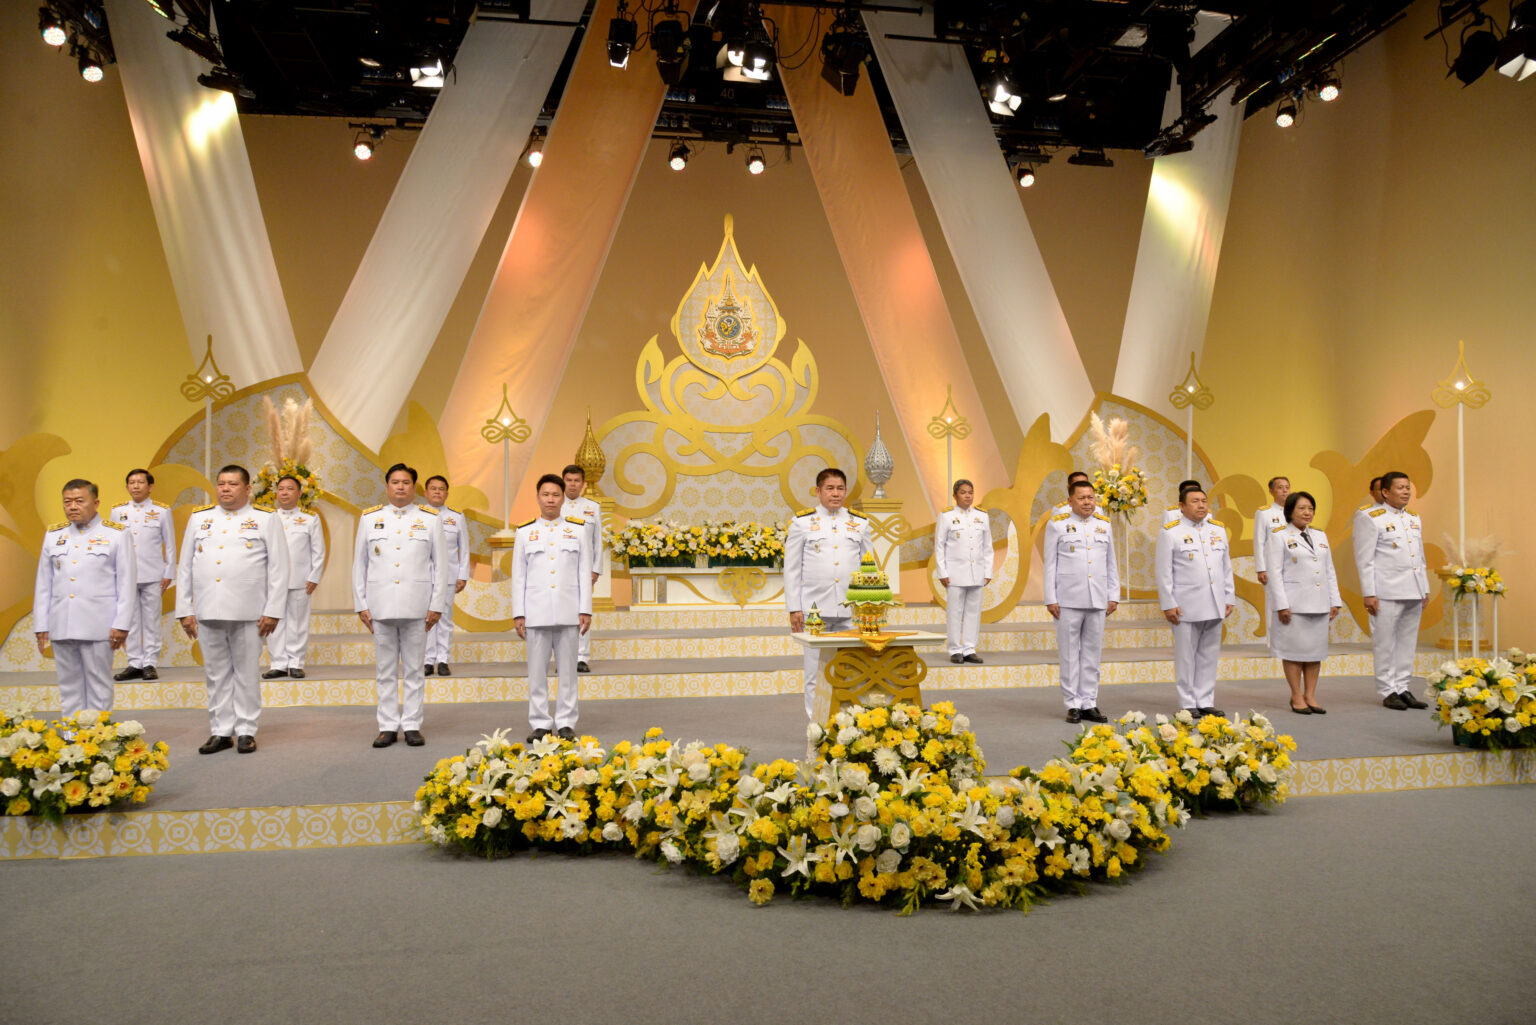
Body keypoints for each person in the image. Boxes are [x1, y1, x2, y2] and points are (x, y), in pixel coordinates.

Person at [175, 465, 287, 755]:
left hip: (249, 611)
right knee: (215, 674)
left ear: (247, 489)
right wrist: (184, 609)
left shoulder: (265, 518)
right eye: (221, 483)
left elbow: (279, 568)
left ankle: (246, 730)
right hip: (208, 609)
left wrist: (273, 610)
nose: (225, 488)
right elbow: (185, 566)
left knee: (246, 673)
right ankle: (221, 731)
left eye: (233, 484)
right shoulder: (200, 518)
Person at [353, 463, 452, 748]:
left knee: (414, 670)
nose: (400, 487)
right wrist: (361, 604)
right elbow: (359, 564)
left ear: (414, 488)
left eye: (406, 482)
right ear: (387, 487)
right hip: (380, 606)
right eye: (395, 482)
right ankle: (386, 726)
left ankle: (411, 724)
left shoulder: (430, 519)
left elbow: (441, 566)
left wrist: (437, 605)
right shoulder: (370, 518)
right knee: (385, 671)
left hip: (418, 607)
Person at [34, 479, 135, 717]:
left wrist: (122, 624)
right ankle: (72, 735)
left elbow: (126, 583)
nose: (72, 507)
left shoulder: (116, 534)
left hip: (98, 624)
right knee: (68, 686)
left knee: (99, 685)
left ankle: (99, 735)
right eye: (67, 502)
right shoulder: (54, 534)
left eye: (79, 501)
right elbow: (43, 583)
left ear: (96, 503)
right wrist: (41, 624)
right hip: (62, 622)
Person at [784, 468, 874, 720]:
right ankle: (817, 724)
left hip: (851, 608)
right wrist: (794, 607)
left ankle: (850, 722)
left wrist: (869, 606)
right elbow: (792, 569)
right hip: (814, 609)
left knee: (852, 667)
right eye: (830, 488)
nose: (836, 494)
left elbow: (870, 567)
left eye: (840, 488)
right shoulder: (802, 523)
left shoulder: (860, 523)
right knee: (815, 671)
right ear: (818, 491)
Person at [512, 473, 593, 742]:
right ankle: (540, 722)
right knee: (536, 672)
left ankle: (566, 721)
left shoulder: (578, 530)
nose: (550, 499)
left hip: (569, 610)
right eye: (545, 494)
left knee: (568, 671)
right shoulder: (525, 532)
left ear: (563, 499)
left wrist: (585, 609)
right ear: (537, 497)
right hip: (535, 612)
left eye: (556, 495)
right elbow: (519, 576)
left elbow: (584, 573)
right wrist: (519, 613)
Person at [1353, 470, 1430, 711]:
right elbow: (1365, 559)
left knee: (1407, 641)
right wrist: (1369, 592)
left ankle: (1403, 686)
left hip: (1413, 589)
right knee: (1385, 642)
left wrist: (1424, 588)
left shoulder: (1413, 518)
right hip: (1386, 591)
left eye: (1408, 487)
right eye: (1400, 487)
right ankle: (1388, 690)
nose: (1406, 492)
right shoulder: (1370, 517)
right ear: (1385, 492)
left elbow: (1420, 557)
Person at [1043, 478, 1119, 724]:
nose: (1087, 502)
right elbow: (1050, 564)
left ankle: (1089, 702)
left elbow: (1111, 562)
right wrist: (1051, 598)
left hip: (1097, 597)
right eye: (1082, 498)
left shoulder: (1104, 525)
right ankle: (1072, 703)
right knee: (1069, 653)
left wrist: (1113, 595)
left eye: (1091, 498)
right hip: (1067, 599)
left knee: (1092, 654)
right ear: (1070, 501)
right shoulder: (1058, 525)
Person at [1155, 485, 1235, 718]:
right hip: (1185, 605)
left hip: (1215, 602)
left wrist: (1229, 596)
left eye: (1204, 501)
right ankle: (1188, 701)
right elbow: (1163, 572)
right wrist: (1168, 603)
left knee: (1209, 654)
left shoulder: (1218, 530)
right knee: (1186, 656)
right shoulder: (1171, 532)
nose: (1201, 505)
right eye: (1195, 501)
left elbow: (1226, 567)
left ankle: (1205, 699)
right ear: (1181, 506)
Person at [1265, 491, 1341, 714]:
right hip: (1294, 604)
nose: (1307, 512)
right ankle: (1296, 695)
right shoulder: (1279, 536)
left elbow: (1329, 570)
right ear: (1290, 511)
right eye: (1302, 508)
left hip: (1319, 602)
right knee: (1294, 652)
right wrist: (1281, 604)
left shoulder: (1320, 536)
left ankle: (1310, 695)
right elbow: (1274, 573)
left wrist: (1334, 600)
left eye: (1310, 508)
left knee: (1315, 652)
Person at [111, 468, 176, 682]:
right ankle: (134, 663)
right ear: (127, 486)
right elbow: (113, 544)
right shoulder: (118, 511)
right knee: (129, 620)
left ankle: (149, 663)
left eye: (140, 482)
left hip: (153, 573)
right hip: (126, 575)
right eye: (132, 482)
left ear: (150, 486)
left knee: (151, 620)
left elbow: (170, 543)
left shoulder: (161, 511)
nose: (136, 486)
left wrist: (169, 572)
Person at [262, 475, 325, 680]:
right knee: (274, 621)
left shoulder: (310, 518)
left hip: (299, 579)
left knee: (297, 622)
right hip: (272, 580)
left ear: (299, 493)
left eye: (290, 488)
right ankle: (278, 663)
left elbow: (318, 551)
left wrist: (314, 576)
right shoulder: (268, 518)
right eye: (281, 489)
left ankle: (296, 662)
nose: (285, 493)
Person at [935, 479, 992, 665]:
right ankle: (955, 649)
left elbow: (987, 546)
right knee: (954, 611)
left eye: (970, 492)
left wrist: (988, 571)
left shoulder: (982, 516)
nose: (968, 496)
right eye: (963, 492)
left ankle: (969, 649)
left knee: (973, 612)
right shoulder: (947, 516)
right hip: (955, 573)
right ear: (955, 495)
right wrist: (942, 572)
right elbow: (939, 546)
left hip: (977, 572)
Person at [422, 475, 470, 678]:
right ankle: (427, 660)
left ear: (447, 493)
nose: (437, 492)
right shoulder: (418, 516)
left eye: (441, 489)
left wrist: (463, 575)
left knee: (444, 619)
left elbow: (464, 548)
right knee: (426, 619)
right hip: (423, 577)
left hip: (448, 576)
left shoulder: (456, 517)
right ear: (426, 492)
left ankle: (443, 660)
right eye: (433, 488)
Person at [560, 464, 604, 673]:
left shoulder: (592, 507)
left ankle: (581, 657)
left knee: (583, 611)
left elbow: (598, 541)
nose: (572, 484)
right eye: (568, 480)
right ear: (563, 481)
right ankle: (563, 657)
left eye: (576, 481)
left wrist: (596, 569)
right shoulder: (555, 505)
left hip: (584, 568)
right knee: (562, 613)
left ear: (583, 483)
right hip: (560, 568)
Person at [1252, 476, 1291, 654]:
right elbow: (1259, 541)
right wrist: (1261, 568)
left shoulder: (1294, 511)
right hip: (1272, 566)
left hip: (1291, 565)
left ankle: (1289, 641)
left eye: (1287, 487)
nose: (1284, 490)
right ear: (1271, 491)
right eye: (1280, 487)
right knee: (1273, 603)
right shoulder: (1265, 513)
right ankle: (1272, 642)